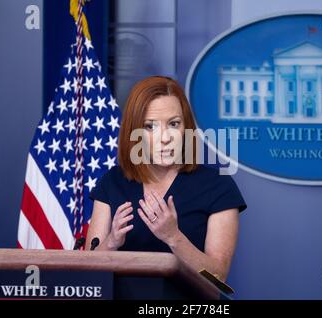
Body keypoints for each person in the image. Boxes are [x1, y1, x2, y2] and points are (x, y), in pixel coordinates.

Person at [86, 76, 246, 282]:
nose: (165, 137)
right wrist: (112, 242)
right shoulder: (112, 182)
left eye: (173, 124)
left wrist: (174, 237)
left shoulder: (218, 186)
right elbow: (88, 271)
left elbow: (217, 277)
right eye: (150, 126)